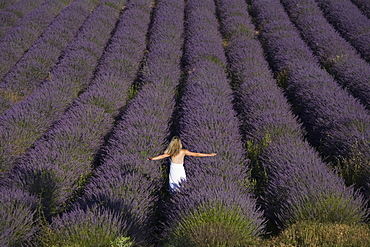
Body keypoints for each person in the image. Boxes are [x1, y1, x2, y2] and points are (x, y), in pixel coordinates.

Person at [147, 136, 217, 192]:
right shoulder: (183, 151)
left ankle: (173, 196)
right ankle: (181, 195)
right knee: (181, 182)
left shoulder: (171, 152)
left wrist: (152, 158)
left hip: (173, 170)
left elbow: (161, 156)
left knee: (173, 183)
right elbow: (196, 154)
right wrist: (209, 154)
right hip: (180, 169)